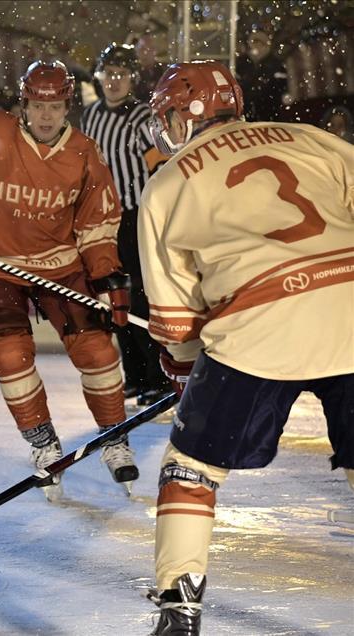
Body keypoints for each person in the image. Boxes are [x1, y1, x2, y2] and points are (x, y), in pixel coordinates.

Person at [139, 61, 354, 635]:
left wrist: (184, 372)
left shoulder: (167, 182)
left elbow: (177, 321)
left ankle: (179, 607)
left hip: (257, 322)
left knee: (191, 468)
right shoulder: (318, 140)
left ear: (187, 114)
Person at [0, 60, 135, 501]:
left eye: (54, 106)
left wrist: (107, 273)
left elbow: (97, 223)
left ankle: (115, 435)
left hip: (61, 265)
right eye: (37, 105)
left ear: (68, 106)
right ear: (24, 104)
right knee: (10, 355)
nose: (46, 115)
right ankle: (42, 443)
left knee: (97, 349)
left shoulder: (84, 153)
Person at [80, 43, 171, 405]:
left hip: (135, 217)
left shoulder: (140, 115)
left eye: (121, 74)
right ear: (100, 77)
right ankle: (133, 375)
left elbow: (165, 158)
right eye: (109, 74)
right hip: (104, 218)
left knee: (140, 296)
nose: (114, 81)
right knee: (112, 295)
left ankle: (156, 375)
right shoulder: (91, 116)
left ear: (132, 77)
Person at [235, 30, 288, 122]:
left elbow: (280, 86)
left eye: (260, 43)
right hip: (248, 109)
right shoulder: (243, 63)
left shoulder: (275, 63)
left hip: (269, 109)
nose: (257, 46)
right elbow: (239, 83)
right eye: (254, 42)